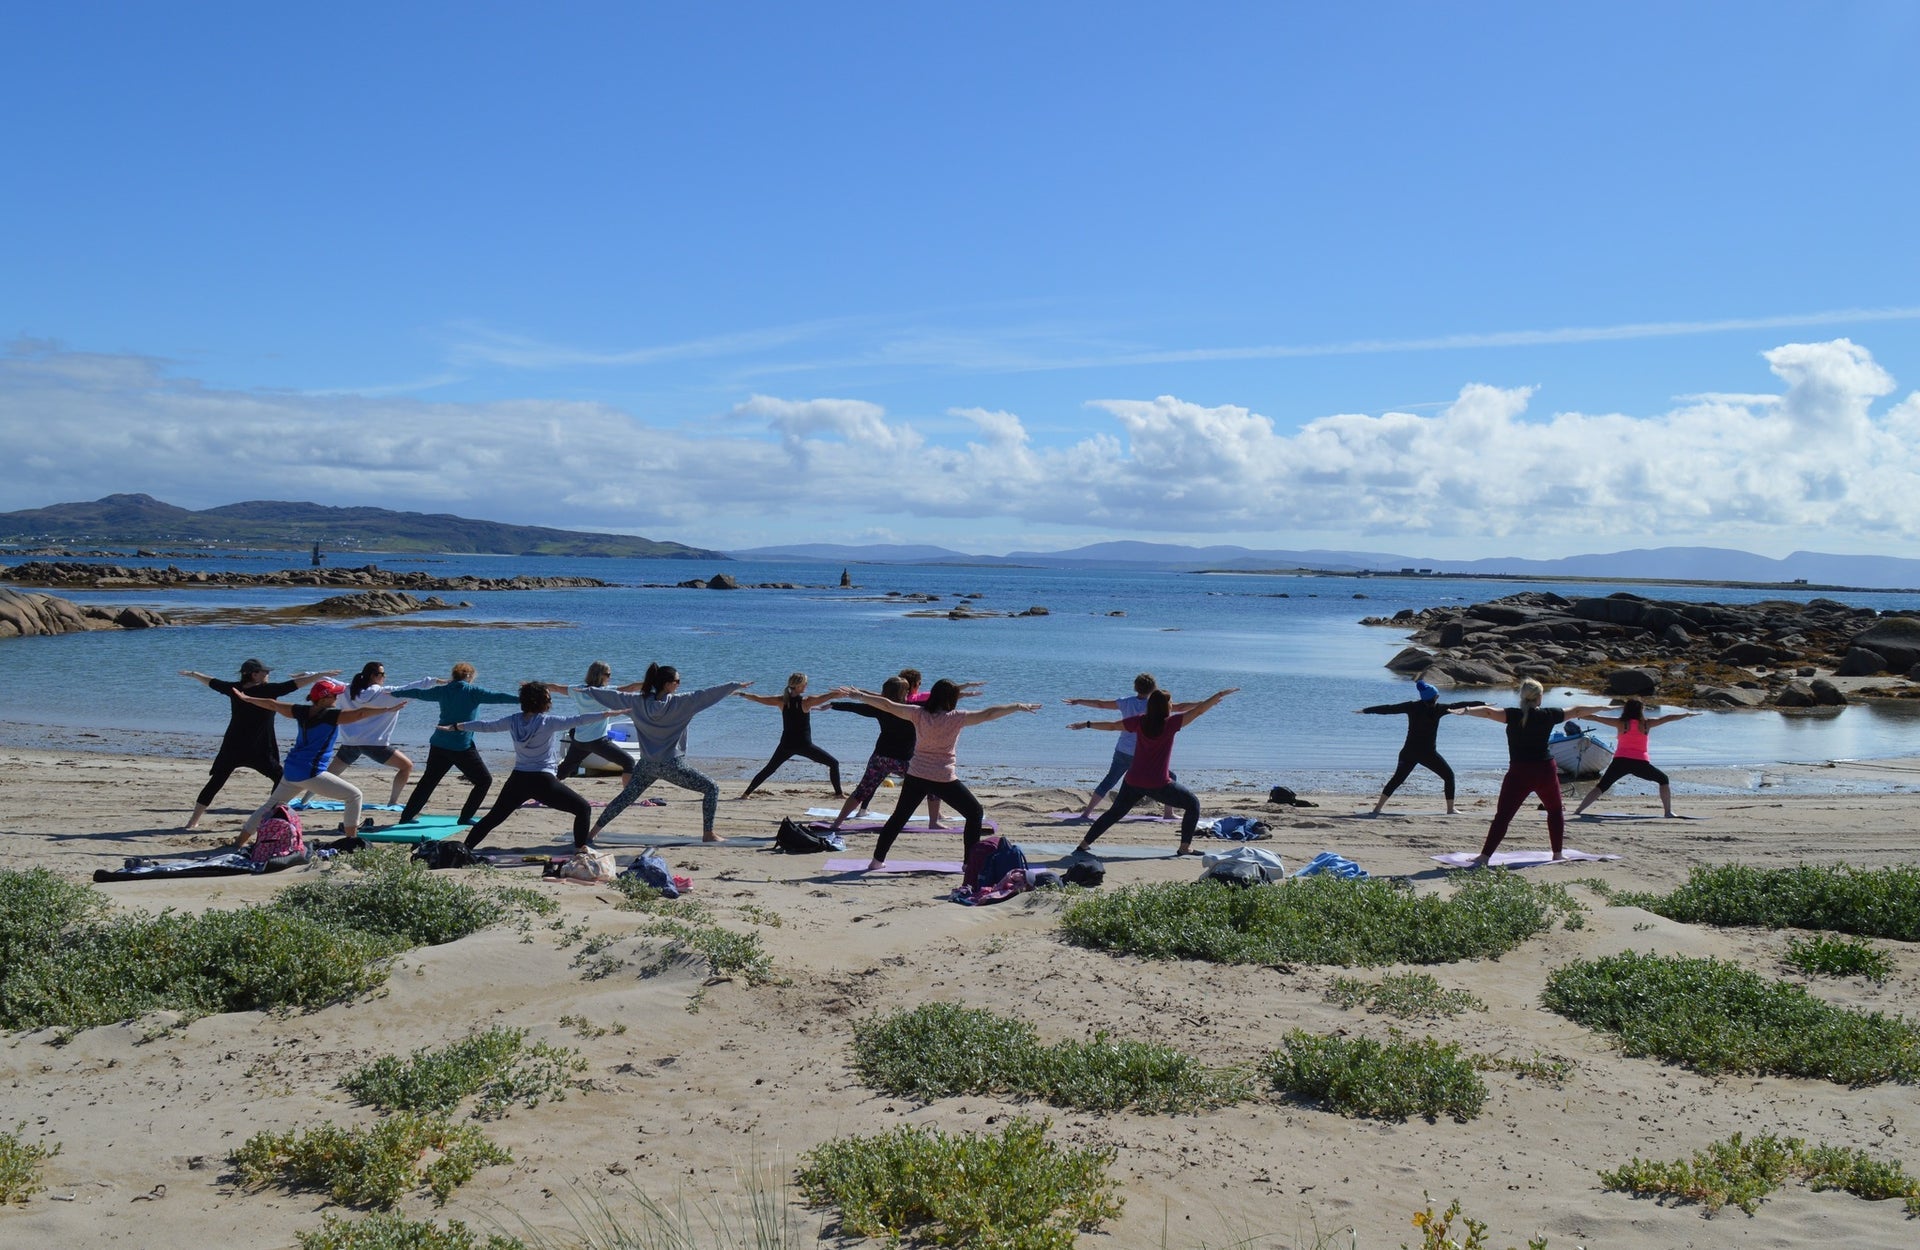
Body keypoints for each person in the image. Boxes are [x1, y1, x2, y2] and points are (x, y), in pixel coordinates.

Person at [833, 679, 1040, 870]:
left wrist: (859, 696)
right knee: (975, 813)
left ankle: (877, 861)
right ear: (951, 700)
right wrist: (1016, 706)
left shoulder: (918, 713)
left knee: (898, 818)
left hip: (916, 775)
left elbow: (887, 705)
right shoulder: (957, 718)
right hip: (942, 778)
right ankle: (969, 864)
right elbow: (988, 714)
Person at [585, 664, 752, 844]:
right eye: (677, 681)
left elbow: (612, 696)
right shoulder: (682, 703)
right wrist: (733, 685)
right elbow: (707, 695)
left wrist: (585, 690)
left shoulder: (637, 702)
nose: (679, 684)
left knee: (625, 798)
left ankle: (592, 833)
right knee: (712, 788)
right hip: (671, 764)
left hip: (647, 764)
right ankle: (708, 834)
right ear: (667, 684)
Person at [1451, 680, 1609, 866]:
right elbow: (1577, 710)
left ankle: (1484, 857)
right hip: (1545, 770)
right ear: (1540, 697)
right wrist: (1603, 706)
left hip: (1520, 772)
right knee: (1555, 811)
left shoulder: (1513, 714)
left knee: (1503, 816)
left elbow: (1487, 712)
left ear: (1522, 696)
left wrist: (1467, 710)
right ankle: (1557, 854)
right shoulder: (1549, 714)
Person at [445, 684, 620, 850]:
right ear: (542, 702)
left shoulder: (513, 720)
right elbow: (579, 720)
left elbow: (485, 725)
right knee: (583, 809)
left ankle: (465, 848)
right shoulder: (548, 722)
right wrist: (606, 714)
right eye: (548, 698)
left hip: (518, 780)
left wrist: (457, 726)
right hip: (543, 781)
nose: (551, 701)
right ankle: (580, 850)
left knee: (493, 818)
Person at [229, 679, 404, 845]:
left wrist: (247, 698)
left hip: (291, 770)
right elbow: (360, 713)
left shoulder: (300, 711)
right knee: (354, 796)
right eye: (333, 695)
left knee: (270, 806)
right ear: (323, 699)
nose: (336, 698)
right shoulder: (330, 716)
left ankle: (239, 842)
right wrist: (387, 710)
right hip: (310, 773)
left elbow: (272, 704)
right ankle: (351, 841)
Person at [1069, 687, 1237, 856]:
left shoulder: (1141, 721)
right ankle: (1185, 847)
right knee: (1193, 804)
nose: (1172, 705)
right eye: (1170, 702)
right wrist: (1219, 695)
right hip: (1158, 784)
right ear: (1166, 707)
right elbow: (1199, 711)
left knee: (1115, 813)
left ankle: (1083, 844)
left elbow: (1113, 726)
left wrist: (1087, 724)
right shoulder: (1171, 724)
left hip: (1133, 780)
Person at [178, 659, 339, 829]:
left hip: (234, 744)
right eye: (265, 672)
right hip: (259, 747)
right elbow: (294, 685)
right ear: (254, 674)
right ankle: (271, 816)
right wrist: (319, 676)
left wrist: (195, 675)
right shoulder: (267, 690)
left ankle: (193, 821)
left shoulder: (235, 689)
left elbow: (212, 682)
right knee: (280, 779)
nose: (268, 674)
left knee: (218, 780)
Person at [393, 662, 521, 825]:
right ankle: (465, 817)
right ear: (469, 676)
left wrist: (395, 693)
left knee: (428, 781)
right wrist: (522, 699)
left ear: (453, 675)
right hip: (461, 746)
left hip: (439, 743)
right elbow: (499, 697)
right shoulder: (473, 692)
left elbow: (418, 693)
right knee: (484, 781)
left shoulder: (443, 690)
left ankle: (406, 817)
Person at [1062, 673, 1190, 820]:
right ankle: (1168, 813)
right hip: (1142, 753)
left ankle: (1086, 813)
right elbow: (1182, 707)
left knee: (1110, 780)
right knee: (1170, 777)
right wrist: (1205, 704)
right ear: (1154, 688)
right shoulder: (1154, 705)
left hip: (1122, 750)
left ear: (1135, 687)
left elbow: (1100, 704)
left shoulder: (1126, 702)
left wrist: (1079, 701)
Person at [1357, 678, 1485, 815]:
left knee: (1397, 780)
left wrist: (1366, 710)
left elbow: (1389, 709)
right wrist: (1483, 704)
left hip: (1408, 752)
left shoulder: (1412, 706)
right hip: (1428, 754)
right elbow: (1461, 705)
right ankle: (1450, 809)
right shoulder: (1439, 709)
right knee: (1449, 776)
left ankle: (1377, 809)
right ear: (1436, 697)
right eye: (1437, 695)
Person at [326, 662, 438, 807]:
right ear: (373, 676)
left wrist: (310, 675)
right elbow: (411, 687)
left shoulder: (347, 690)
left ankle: (304, 801)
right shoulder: (386, 692)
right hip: (375, 745)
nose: (384, 677)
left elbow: (328, 681)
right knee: (406, 766)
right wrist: (434, 681)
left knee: (328, 775)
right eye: (382, 674)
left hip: (350, 743)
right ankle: (393, 802)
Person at [1572, 700, 1699, 818]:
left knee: (1601, 787)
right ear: (1641, 710)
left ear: (1626, 710)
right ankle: (1668, 812)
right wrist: (1686, 714)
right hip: (1640, 762)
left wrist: (1576, 714)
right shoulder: (1646, 724)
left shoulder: (1621, 722)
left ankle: (1578, 811)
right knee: (1663, 780)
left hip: (1620, 761)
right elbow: (1668, 718)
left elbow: (1595, 718)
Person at [823, 676, 916, 830]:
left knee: (861, 791)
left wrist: (833, 705)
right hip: (904, 762)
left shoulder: (880, 708)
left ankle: (837, 823)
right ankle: (935, 820)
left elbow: (855, 708)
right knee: (931, 785)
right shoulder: (912, 710)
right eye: (906, 690)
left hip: (880, 758)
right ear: (902, 693)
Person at [898, 668, 984, 828]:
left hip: (916, 758)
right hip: (927, 763)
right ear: (914, 684)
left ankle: (934, 819)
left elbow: (941, 695)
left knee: (900, 815)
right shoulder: (916, 701)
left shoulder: (913, 703)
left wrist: (965, 688)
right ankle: (934, 820)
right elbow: (943, 697)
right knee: (973, 811)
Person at [737, 673, 844, 799]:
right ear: (799, 686)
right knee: (834, 763)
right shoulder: (806, 702)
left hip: (786, 745)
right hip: (804, 746)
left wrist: (740, 693)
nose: (806, 685)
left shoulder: (782, 701)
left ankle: (745, 794)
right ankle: (839, 794)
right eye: (805, 683)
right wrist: (844, 692)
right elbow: (828, 696)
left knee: (769, 769)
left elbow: (757, 698)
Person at [543, 662, 637, 785]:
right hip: (597, 741)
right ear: (600, 675)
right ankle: (627, 796)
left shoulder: (579, 690)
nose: (610, 677)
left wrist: (532, 686)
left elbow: (554, 687)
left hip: (579, 740)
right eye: (608, 674)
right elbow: (630, 688)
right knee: (628, 762)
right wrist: (653, 683)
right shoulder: (605, 692)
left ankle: (542, 789)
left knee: (564, 769)